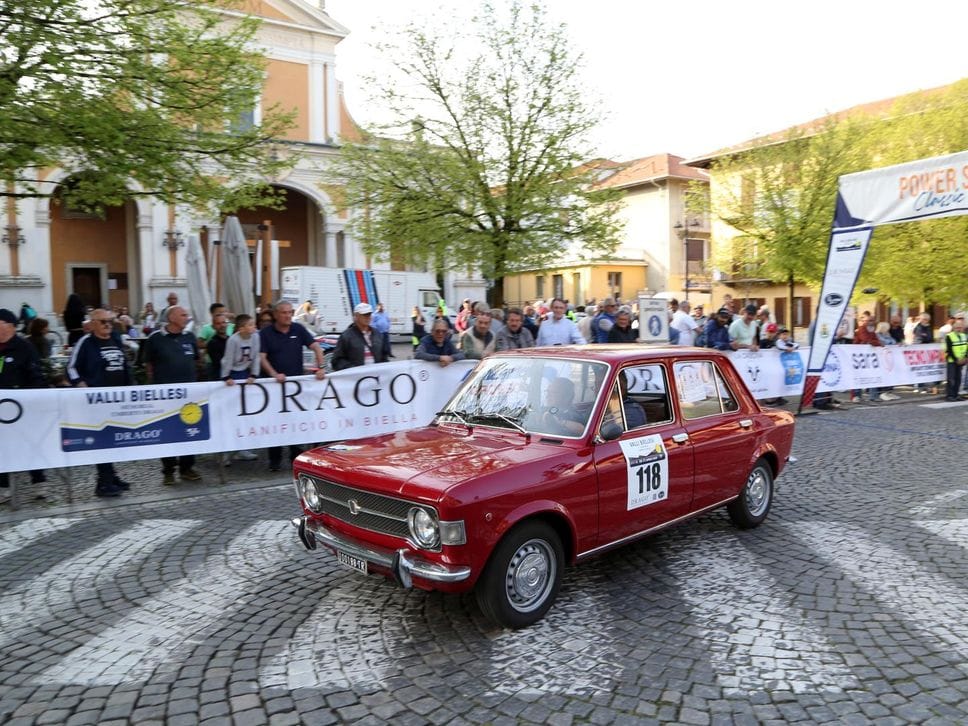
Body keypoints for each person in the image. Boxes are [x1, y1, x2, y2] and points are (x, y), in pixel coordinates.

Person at [66, 307, 133, 497]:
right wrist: (80, 384)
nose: (108, 325)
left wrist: (131, 386)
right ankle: (103, 482)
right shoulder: (86, 342)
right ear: (93, 324)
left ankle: (111, 476)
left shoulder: (116, 339)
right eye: (103, 322)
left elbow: (124, 364)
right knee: (102, 439)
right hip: (96, 401)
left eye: (110, 321)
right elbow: (71, 367)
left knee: (112, 439)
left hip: (117, 399)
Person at [259, 300, 326, 472]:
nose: (288, 315)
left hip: (296, 387)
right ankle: (274, 458)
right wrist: (274, 374)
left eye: (290, 312)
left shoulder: (298, 329)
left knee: (295, 421)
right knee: (275, 424)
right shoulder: (265, 333)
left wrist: (321, 367)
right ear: (275, 315)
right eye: (283, 312)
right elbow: (262, 357)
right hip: (274, 386)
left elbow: (317, 347)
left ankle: (295, 454)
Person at [141, 306, 203, 485]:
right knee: (167, 433)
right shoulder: (155, 339)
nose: (187, 317)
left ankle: (187, 467)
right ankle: (168, 470)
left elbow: (197, 361)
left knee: (189, 431)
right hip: (165, 396)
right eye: (183, 315)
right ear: (172, 318)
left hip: (189, 395)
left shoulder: (189, 337)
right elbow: (149, 366)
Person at [0, 308, 47, 500]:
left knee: (29, 443)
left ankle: (39, 481)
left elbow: (36, 375)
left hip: (21, 406)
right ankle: (3, 487)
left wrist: (30, 396)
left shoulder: (24, 347)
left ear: (10, 326)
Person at [331, 302, 390, 370]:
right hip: (356, 378)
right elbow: (337, 360)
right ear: (356, 316)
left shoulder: (377, 334)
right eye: (364, 315)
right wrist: (353, 369)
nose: (367, 317)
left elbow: (384, 356)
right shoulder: (346, 336)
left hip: (375, 377)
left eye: (369, 314)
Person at [943, 317, 967, 401]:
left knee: (958, 379)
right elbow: (949, 350)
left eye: (960, 327)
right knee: (951, 379)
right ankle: (950, 395)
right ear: (953, 328)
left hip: (961, 360)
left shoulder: (964, 336)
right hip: (952, 360)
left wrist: (966, 357)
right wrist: (956, 359)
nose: (959, 329)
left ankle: (956, 395)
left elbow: (966, 347)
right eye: (957, 327)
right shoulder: (949, 336)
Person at [202, 312, 231, 381]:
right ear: (213, 326)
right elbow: (219, 363)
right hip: (220, 379)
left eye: (224, 322)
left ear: (227, 324)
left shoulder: (231, 339)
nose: (222, 325)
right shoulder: (212, 343)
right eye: (218, 323)